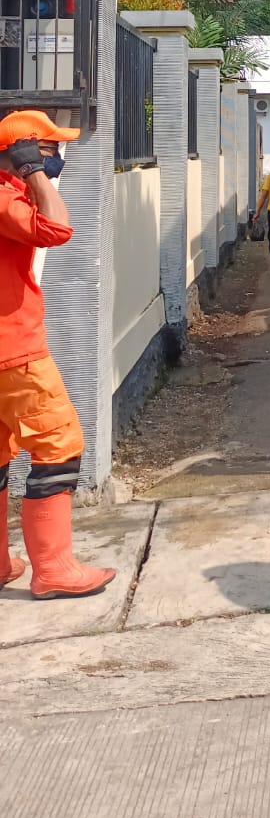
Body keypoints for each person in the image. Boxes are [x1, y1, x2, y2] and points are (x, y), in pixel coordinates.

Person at [0, 110, 117, 599]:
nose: (58, 158)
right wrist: (35, 175)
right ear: (23, 154)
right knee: (60, 445)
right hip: (14, 351)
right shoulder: (6, 197)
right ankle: (53, 570)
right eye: (49, 150)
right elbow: (57, 229)